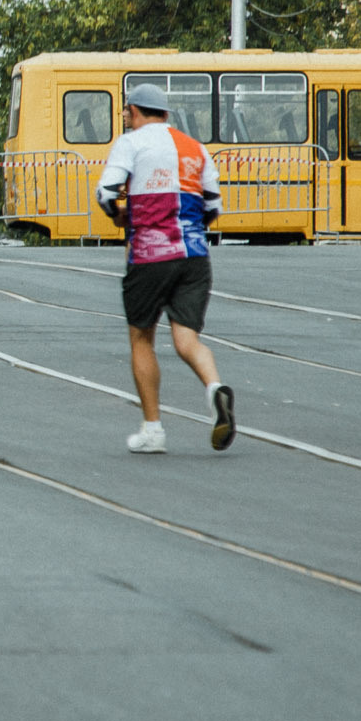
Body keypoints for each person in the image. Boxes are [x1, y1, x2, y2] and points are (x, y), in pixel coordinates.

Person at [96, 82, 236, 454]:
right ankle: (214, 388)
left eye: (126, 111)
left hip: (150, 255)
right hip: (195, 258)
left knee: (142, 337)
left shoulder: (132, 142)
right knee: (187, 340)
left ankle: (153, 430)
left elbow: (106, 193)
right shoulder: (196, 148)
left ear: (137, 111)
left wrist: (120, 216)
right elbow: (212, 207)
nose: (125, 117)